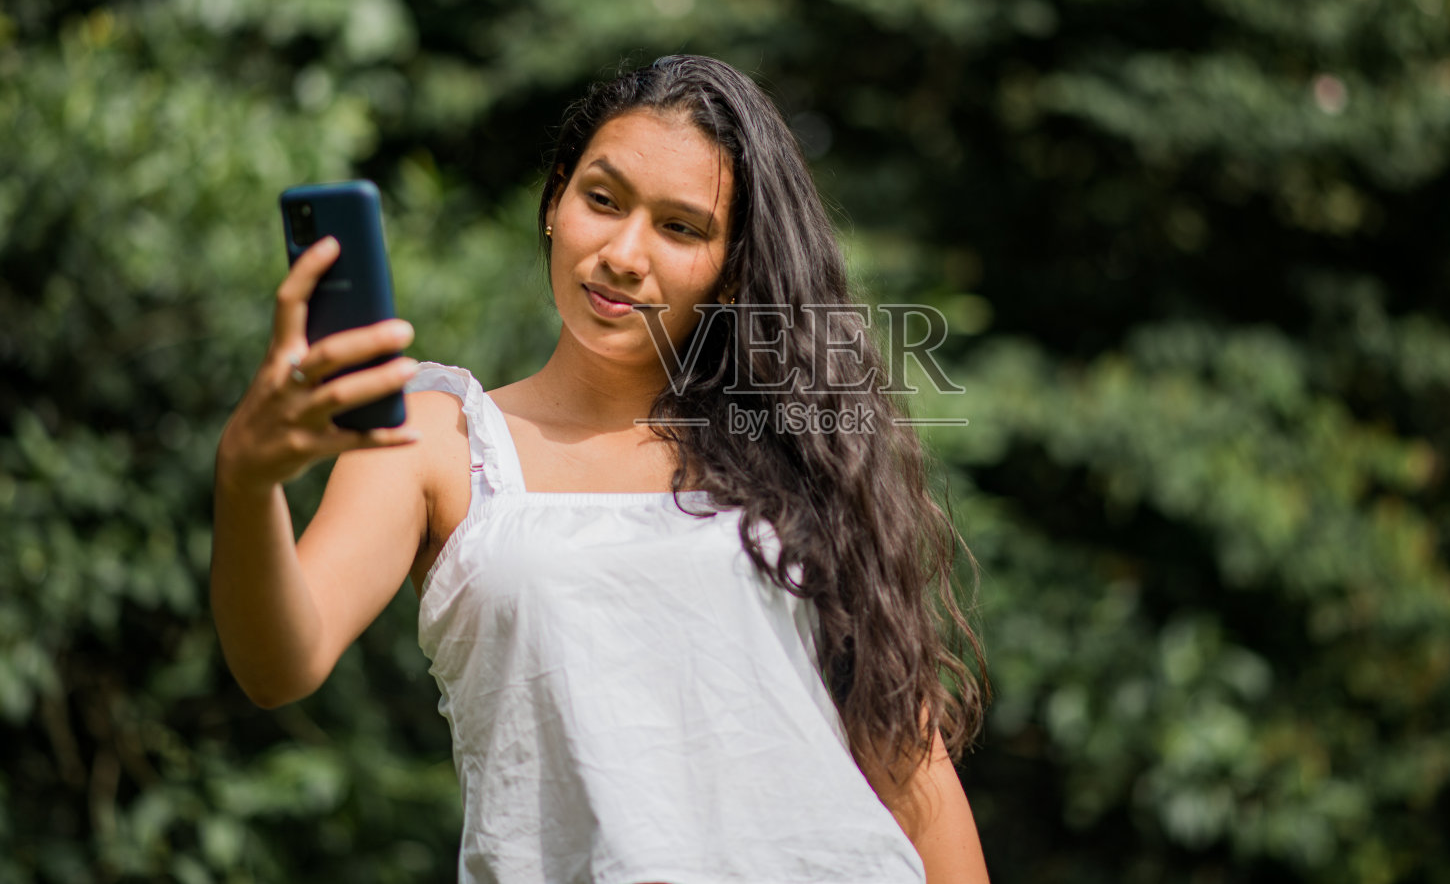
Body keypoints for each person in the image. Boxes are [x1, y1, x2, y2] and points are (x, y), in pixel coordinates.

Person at [212, 55, 988, 883]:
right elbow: (280, 664)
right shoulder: (440, 437)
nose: (623, 253)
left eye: (680, 228)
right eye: (603, 200)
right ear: (556, 202)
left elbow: (907, 757)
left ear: (732, 273)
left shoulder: (792, 453)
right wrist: (247, 479)